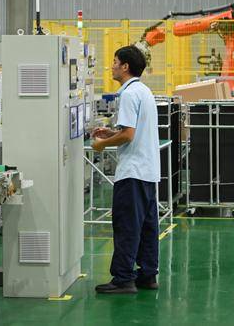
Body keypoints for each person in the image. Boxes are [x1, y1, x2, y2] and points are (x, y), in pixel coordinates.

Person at [92, 45, 161, 294]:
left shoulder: (129, 95)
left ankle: (122, 278)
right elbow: (132, 131)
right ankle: (148, 274)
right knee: (147, 226)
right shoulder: (144, 91)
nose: (111, 66)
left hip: (132, 172)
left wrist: (102, 144)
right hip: (148, 171)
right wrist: (112, 132)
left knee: (127, 226)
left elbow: (128, 135)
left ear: (125, 66)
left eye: (114, 61)